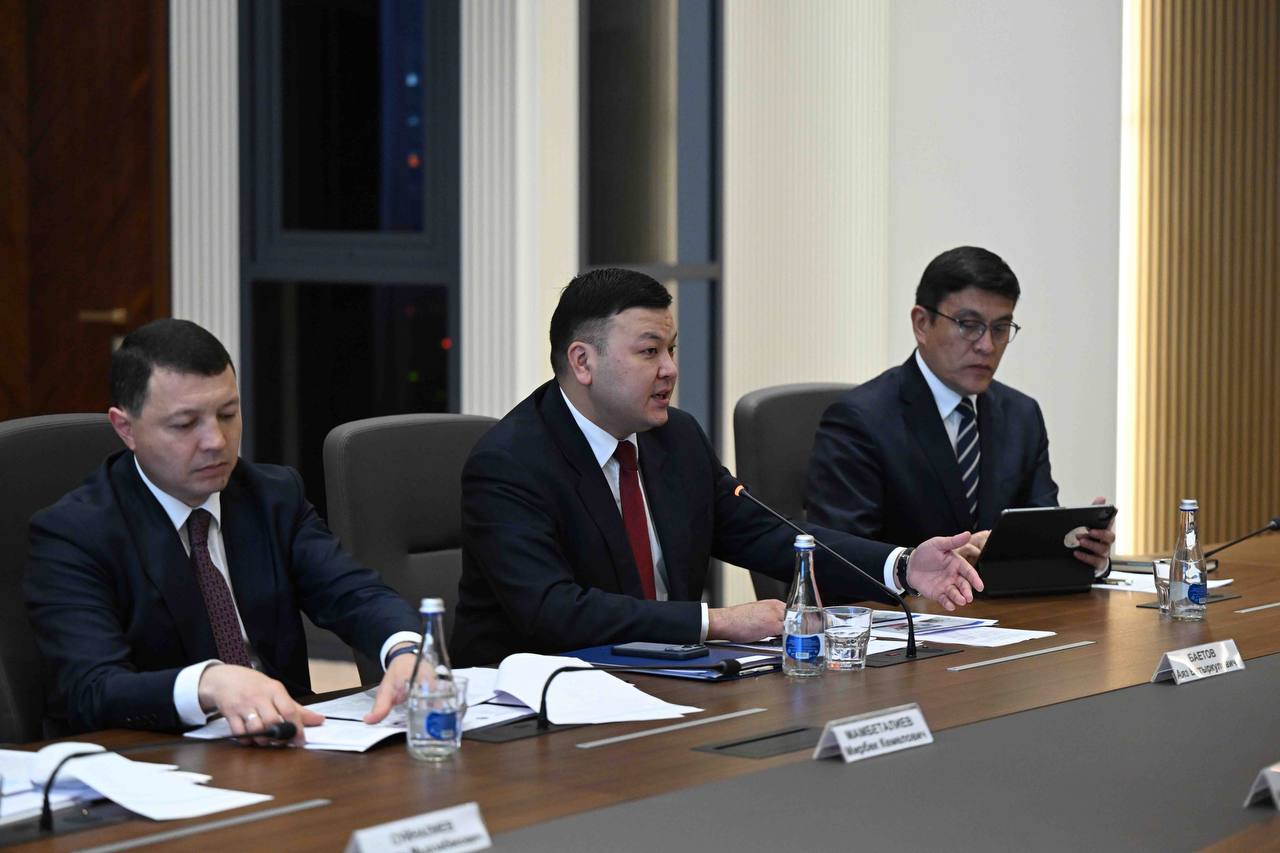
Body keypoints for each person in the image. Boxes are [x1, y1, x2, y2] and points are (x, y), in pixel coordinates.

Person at [452, 268, 984, 666]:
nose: (670, 369)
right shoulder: (511, 463)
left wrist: (901, 565)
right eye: (649, 352)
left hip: (670, 679)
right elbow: (552, 611)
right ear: (582, 362)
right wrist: (717, 623)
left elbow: (766, 533)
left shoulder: (674, 438)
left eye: (672, 349)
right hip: (536, 710)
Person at [25, 319, 420, 742]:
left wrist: (405, 649)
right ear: (126, 429)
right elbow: (90, 688)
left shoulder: (272, 496)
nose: (215, 440)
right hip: (160, 755)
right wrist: (208, 683)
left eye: (228, 414)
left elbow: (354, 593)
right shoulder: (73, 533)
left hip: (287, 741)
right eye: (185, 424)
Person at [804, 246, 1114, 573]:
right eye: (968, 325)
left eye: (1000, 328)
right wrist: (918, 568)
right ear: (922, 324)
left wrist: (1083, 555)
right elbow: (838, 559)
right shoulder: (860, 420)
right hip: (903, 605)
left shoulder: (1022, 416)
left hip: (1003, 605)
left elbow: (1038, 537)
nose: (987, 345)